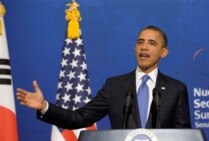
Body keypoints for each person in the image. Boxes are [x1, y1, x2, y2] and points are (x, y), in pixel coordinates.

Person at [16, 25, 191, 129]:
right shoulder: (114, 86)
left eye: (152, 43)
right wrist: (44, 106)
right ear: (135, 48)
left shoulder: (176, 89)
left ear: (163, 52)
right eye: (140, 42)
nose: (144, 47)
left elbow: (184, 135)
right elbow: (79, 118)